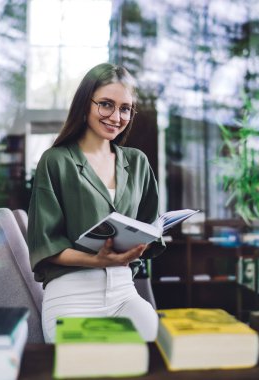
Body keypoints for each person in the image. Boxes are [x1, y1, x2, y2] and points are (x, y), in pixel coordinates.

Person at [27, 62, 166, 343]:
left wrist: (143, 243)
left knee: (157, 353)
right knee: (90, 365)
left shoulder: (137, 162)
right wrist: (96, 259)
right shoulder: (56, 161)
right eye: (106, 104)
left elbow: (151, 226)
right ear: (85, 104)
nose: (116, 116)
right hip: (72, 295)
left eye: (125, 108)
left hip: (124, 292)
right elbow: (45, 246)